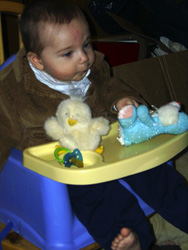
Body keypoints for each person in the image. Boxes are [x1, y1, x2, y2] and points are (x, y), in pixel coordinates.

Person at [0, 0, 187, 249]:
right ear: (37, 61)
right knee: (97, 196)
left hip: (108, 142)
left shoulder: (92, 67)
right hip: (65, 162)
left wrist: (120, 100)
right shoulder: (12, 94)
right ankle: (132, 236)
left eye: (86, 44)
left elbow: (110, 86)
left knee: (154, 171)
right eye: (68, 53)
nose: (84, 58)